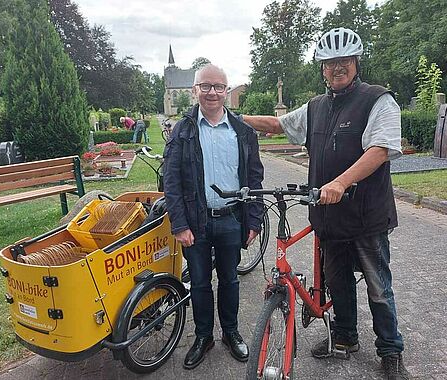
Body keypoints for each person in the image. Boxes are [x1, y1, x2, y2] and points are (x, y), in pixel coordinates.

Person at [243, 27, 409, 380]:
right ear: (322, 68)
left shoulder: (378, 100)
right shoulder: (316, 107)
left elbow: (380, 149)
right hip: (329, 217)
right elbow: (277, 124)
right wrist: (235, 119)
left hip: (366, 216)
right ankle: (346, 338)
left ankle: (390, 350)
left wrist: (340, 181)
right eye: (331, 63)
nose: (338, 68)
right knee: (338, 281)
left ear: (356, 62)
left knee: (378, 285)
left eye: (344, 61)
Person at [163, 64, 264, 370]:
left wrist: (254, 219)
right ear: (195, 90)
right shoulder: (183, 131)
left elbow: (254, 178)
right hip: (196, 222)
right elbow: (171, 181)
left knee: (230, 280)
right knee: (201, 283)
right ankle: (203, 336)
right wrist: (179, 224)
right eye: (205, 86)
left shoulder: (242, 130)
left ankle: (231, 333)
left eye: (218, 87)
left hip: (232, 219)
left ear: (226, 90)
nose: (212, 92)